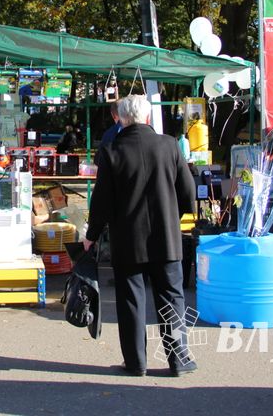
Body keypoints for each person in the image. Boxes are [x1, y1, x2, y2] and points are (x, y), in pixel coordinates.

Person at [84, 95, 197, 377]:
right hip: (166, 236)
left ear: (121, 118)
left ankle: (136, 362)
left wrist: (92, 234)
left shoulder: (111, 151)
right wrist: (173, 216)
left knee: (131, 300)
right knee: (172, 297)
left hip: (128, 239)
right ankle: (179, 359)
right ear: (147, 117)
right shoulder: (169, 145)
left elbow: (101, 202)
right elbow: (188, 192)